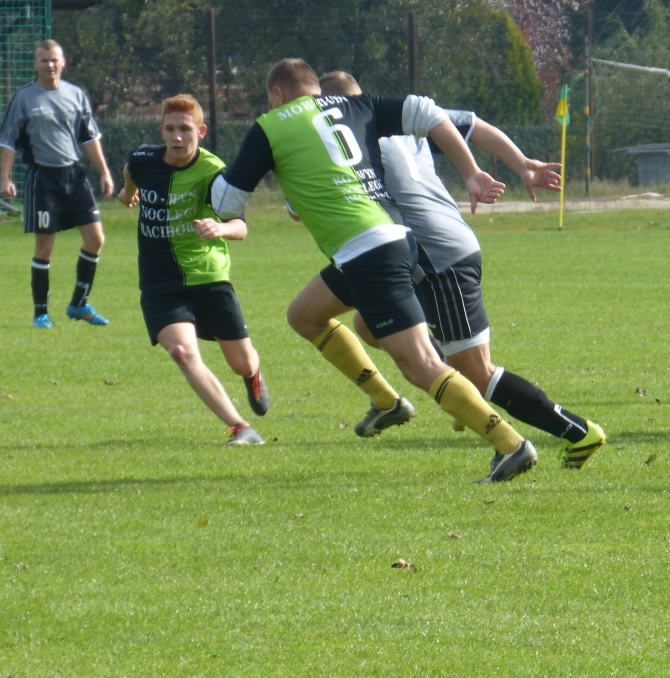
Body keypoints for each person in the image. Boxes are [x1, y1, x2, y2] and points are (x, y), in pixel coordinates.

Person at [212, 58, 539, 483]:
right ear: (316, 86)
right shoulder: (358, 106)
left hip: (368, 254)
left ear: (277, 94)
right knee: (305, 315)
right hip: (386, 239)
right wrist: (471, 172)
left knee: (420, 364)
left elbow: (225, 205)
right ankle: (386, 402)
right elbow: (429, 112)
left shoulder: (270, 126)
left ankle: (511, 445)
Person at [316, 71, 606, 470]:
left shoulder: (349, 143)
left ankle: (579, 432)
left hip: (439, 259)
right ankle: (449, 387)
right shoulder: (400, 118)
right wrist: (522, 164)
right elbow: (474, 125)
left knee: (478, 372)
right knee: (367, 323)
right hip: (418, 253)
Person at [118, 94, 269, 447]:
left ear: (200, 131)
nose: (177, 137)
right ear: (162, 130)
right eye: (170, 129)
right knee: (182, 353)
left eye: (185, 129)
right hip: (159, 284)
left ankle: (253, 375)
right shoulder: (143, 159)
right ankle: (240, 427)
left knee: (242, 363)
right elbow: (130, 175)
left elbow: (240, 227)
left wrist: (220, 229)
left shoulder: (215, 172)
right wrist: (128, 195)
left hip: (208, 279)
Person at [0, 40, 115, 328]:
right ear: (35, 64)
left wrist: (104, 172)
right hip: (43, 178)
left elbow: (89, 137)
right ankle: (41, 313)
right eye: (44, 60)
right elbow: (7, 141)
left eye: (54, 60)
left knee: (96, 239)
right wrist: (5, 177)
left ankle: (79, 304)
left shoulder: (76, 94)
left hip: (74, 177)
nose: (49, 65)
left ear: (63, 62)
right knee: (45, 246)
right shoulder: (24, 97)